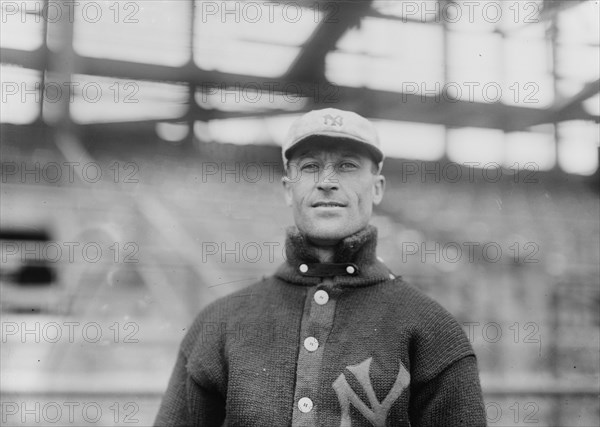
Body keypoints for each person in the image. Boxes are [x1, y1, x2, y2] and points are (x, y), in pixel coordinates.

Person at [155, 108, 487, 426]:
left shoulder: (433, 331)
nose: (327, 181)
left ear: (377, 188)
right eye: (311, 166)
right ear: (288, 189)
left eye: (347, 166)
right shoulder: (219, 324)